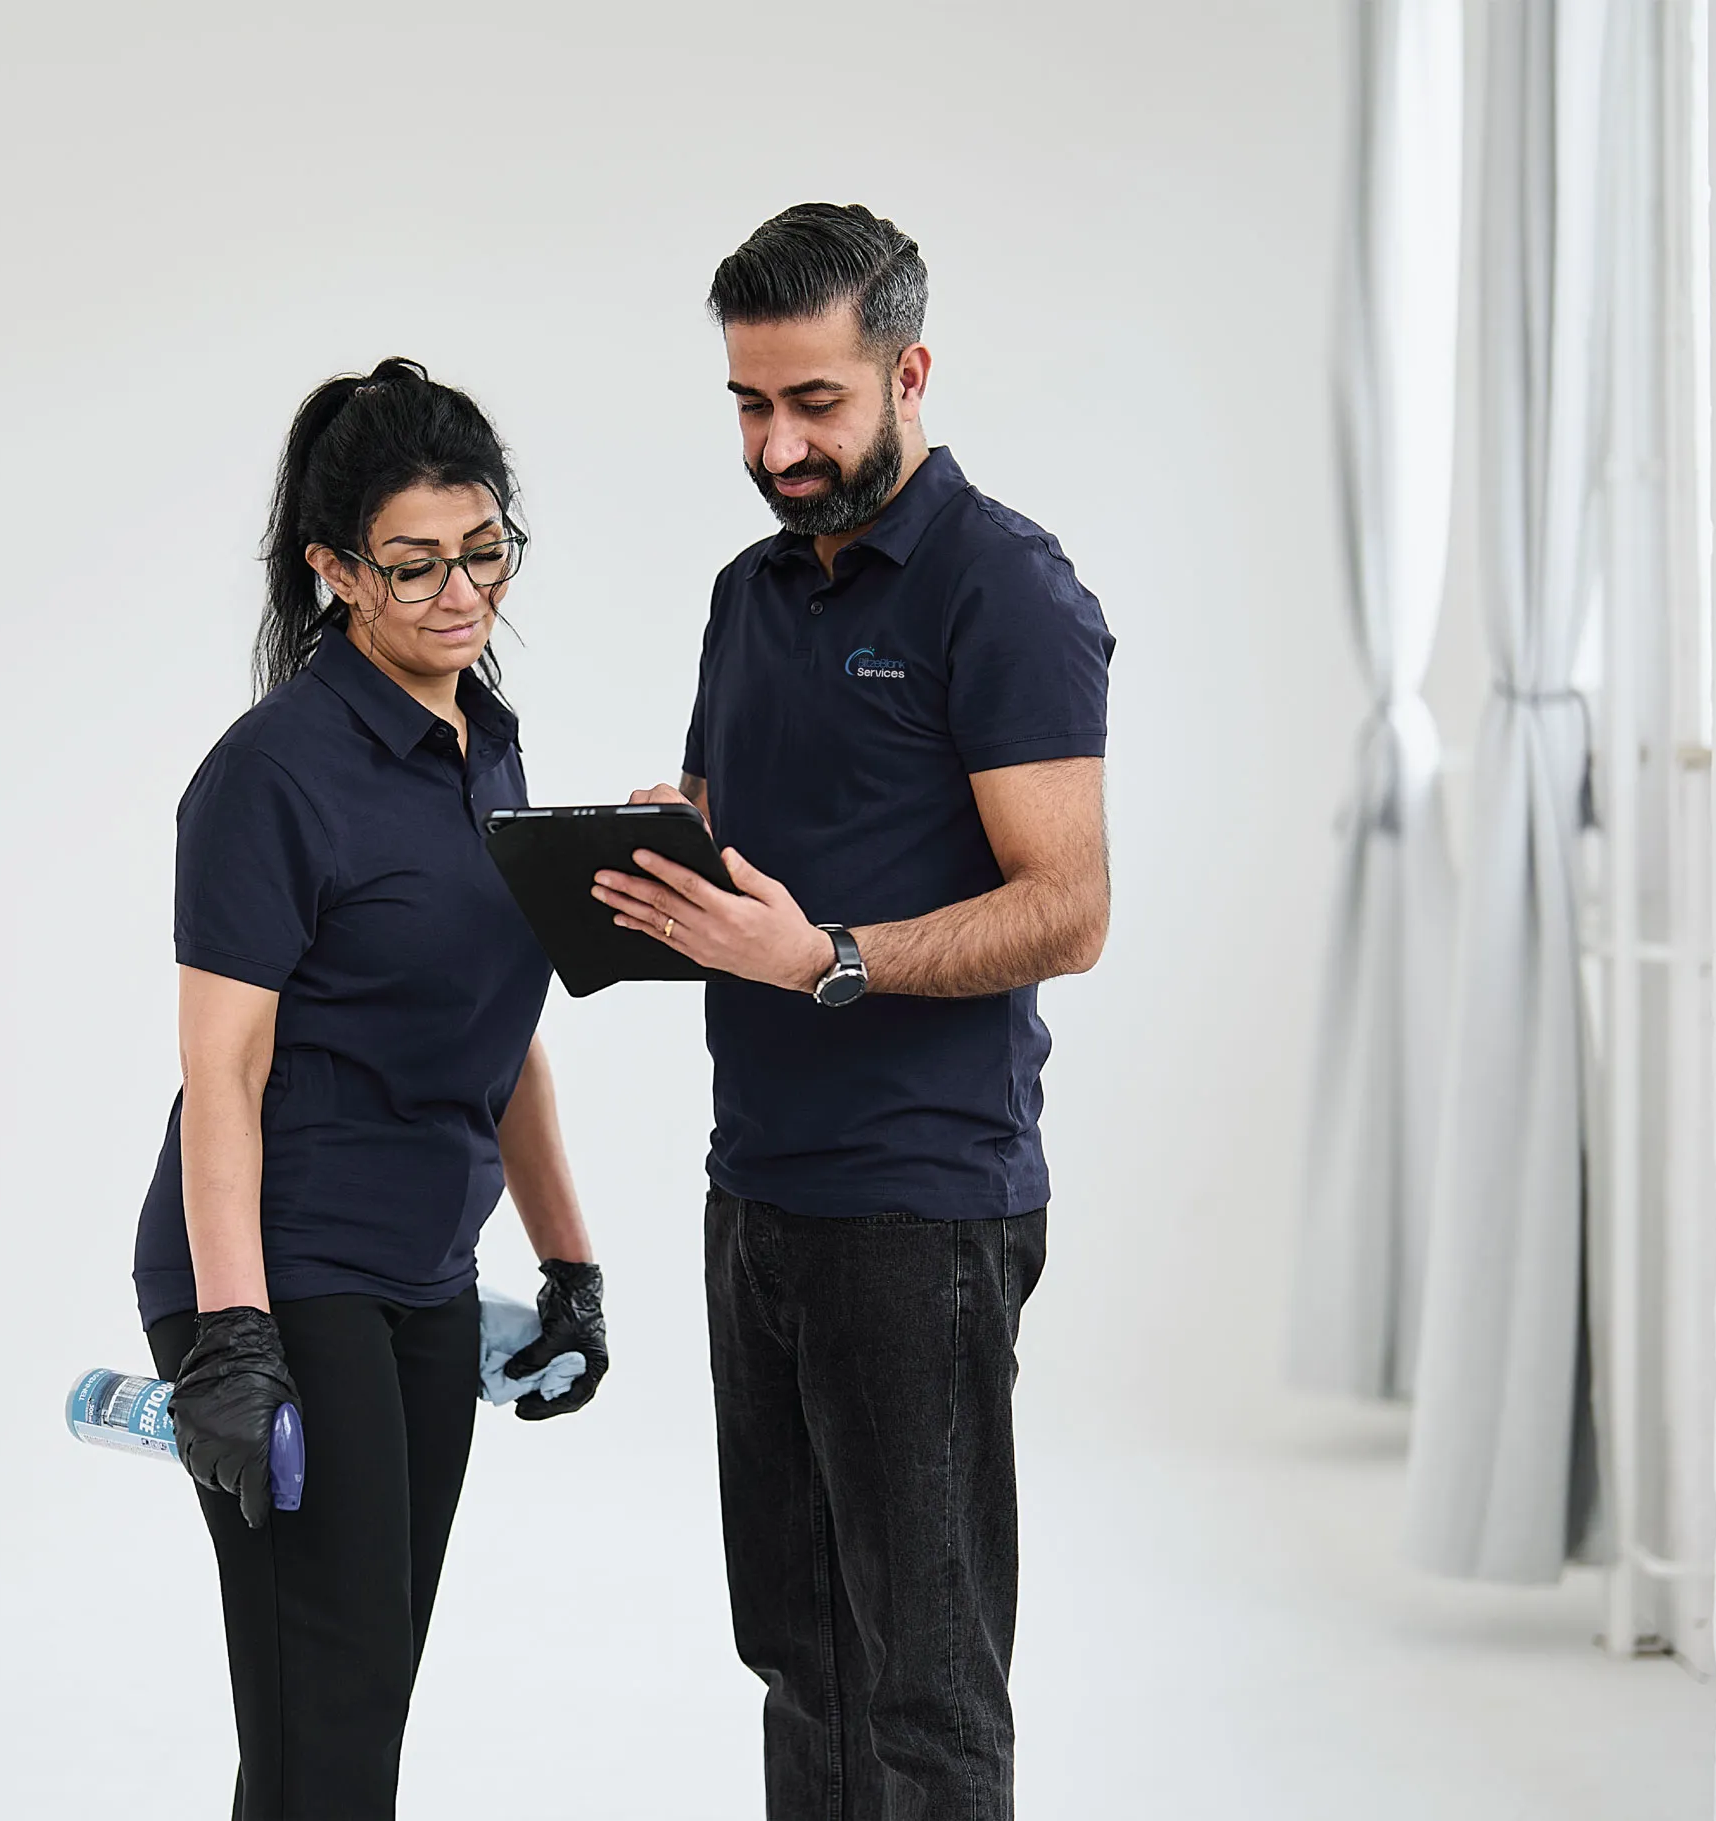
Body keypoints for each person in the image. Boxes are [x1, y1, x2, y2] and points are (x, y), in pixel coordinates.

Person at [594, 205, 1114, 1819]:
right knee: (798, 1656)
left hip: (917, 1202)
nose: (778, 444)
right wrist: (668, 841)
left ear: (909, 370)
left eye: (814, 402)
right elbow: (764, 811)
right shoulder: (749, 592)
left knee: (925, 1686)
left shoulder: (1002, 586)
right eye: (750, 405)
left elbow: (1066, 907)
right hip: (755, 1186)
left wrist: (819, 955)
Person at [133, 358, 608, 1820]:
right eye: (412, 567)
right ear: (332, 569)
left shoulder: (489, 742)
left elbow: (502, 1019)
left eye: (485, 551)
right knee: (321, 1730)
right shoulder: (270, 776)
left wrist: (569, 1263)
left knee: (359, 1710)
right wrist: (231, 1337)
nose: (460, 594)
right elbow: (223, 1065)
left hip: (423, 1270)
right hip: (282, 1267)